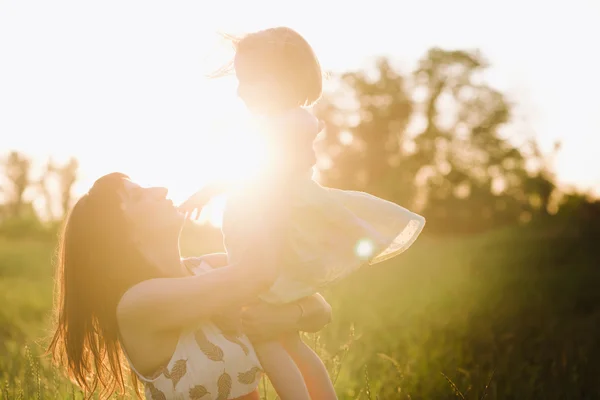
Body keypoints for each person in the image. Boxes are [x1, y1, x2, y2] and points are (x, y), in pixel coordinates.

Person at [182, 27, 426, 400]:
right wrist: (212, 190)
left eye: (249, 79)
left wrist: (220, 193)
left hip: (272, 239)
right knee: (287, 340)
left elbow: (268, 179)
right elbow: (253, 171)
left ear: (280, 80)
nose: (240, 90)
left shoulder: (285, 125)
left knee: (266, 341)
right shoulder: (283, 122)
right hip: (268, 234)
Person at [47, 172, 333, 400]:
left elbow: (320, 310)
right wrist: (268, 197)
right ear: (123, 236)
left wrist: (278, 318)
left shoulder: (212, 268)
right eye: (138, 196)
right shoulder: (139, 302)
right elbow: (257, 275)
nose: (161, 189)